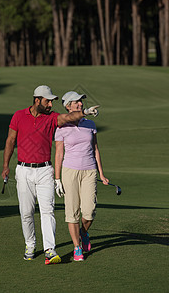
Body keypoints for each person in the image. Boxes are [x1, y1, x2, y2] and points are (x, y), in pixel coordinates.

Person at [2, 85, 99, 265]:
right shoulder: (18, 116)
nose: (50, 104)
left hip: (45, 170)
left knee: (48, 212)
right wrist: (5, 166)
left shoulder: (52, 117)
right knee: (26, 213)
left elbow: (69, 117)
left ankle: (50, 249)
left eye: (52, 101)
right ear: (37, 100)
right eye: (47, 101)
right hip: (23, 170)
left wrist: (84, 111)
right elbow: (10, 140)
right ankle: (30, 244)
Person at [54, 91, 109, 261]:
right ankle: (77, 247)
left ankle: (83, 232)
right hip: (70, 171)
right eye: (76, 102)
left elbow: (95, 149)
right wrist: (57, 179)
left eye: (81, 102)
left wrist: (101, 173)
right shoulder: (61, 127)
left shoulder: (90, 124)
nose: (80, 104)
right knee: (72, 212)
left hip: (89, 170)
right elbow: (58, 154)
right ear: (68, 106)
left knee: (89, 210)